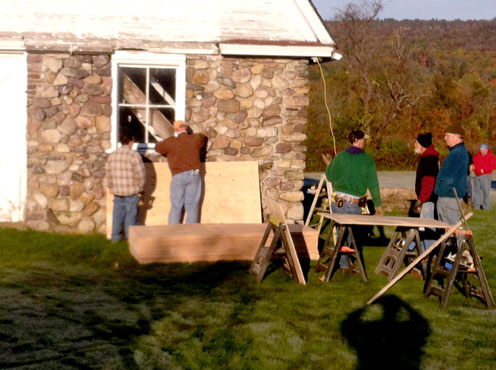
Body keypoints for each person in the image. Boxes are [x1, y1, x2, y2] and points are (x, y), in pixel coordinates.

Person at [326, 129, 382, 270]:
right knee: (352, 235)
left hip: (337, 202)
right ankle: (346, 263)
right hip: (353, 204)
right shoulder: (367, 160)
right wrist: (378, 204)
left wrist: (330, 164)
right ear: (360, 141)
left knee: (341, 233)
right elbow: (373, 184)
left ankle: (343, 263)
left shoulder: (339, 157)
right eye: (363, 140)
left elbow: (330, 177)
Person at [155, 120, 207, 224]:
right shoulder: (195, 138)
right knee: (192, 206)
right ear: (186, 127)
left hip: (178, 176)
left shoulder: (170, 141)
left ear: (175, 129)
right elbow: (203, 137)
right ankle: (191, 233)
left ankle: (172, 233)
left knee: (176, 205)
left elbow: (158, 147)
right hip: (194, 175)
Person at [105, 133, 146, 242]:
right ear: (131, 142)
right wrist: (140, 188)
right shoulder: (134, 155)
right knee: (131, 216)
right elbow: (141, 174)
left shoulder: (112, 155)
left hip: (117, 190)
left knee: (117, 215)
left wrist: (110, 186)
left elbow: (108, 173)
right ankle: (131, 239)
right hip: (131, 191)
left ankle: (115, 238)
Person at [434, 122, 469, 225]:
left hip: (449, 197)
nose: (445, 138)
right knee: (447, 230)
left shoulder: (457, 153)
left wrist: (441, 191)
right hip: (448, 196)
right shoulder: (457, 152)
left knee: (451, 230)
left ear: (457, 137)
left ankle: (458, 241)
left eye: (447, 135)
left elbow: (449, 178)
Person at [414, 132, 439, 251]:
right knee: (424, 226)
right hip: (427, 199)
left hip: (428, 200)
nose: (414, 145)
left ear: (421, 145)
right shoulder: (427, 157)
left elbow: (428, 182)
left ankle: (430, 254)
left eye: (416, 143)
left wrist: (421, 199)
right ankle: (426, 252)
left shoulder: (429, 159)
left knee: (428, 227)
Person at [470, 144, 496, 210]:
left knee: (486, 191)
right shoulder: (477, 155)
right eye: (481, 150)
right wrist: (473, 166)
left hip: (486, 176)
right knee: (476, 191)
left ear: (486, 150)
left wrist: (484, 170)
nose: (481, 151)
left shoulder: (490, 157)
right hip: (477, 175)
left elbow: (492, 166)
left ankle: (485, 206)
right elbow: (473, 162)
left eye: (483, 150)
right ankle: (476, 206)